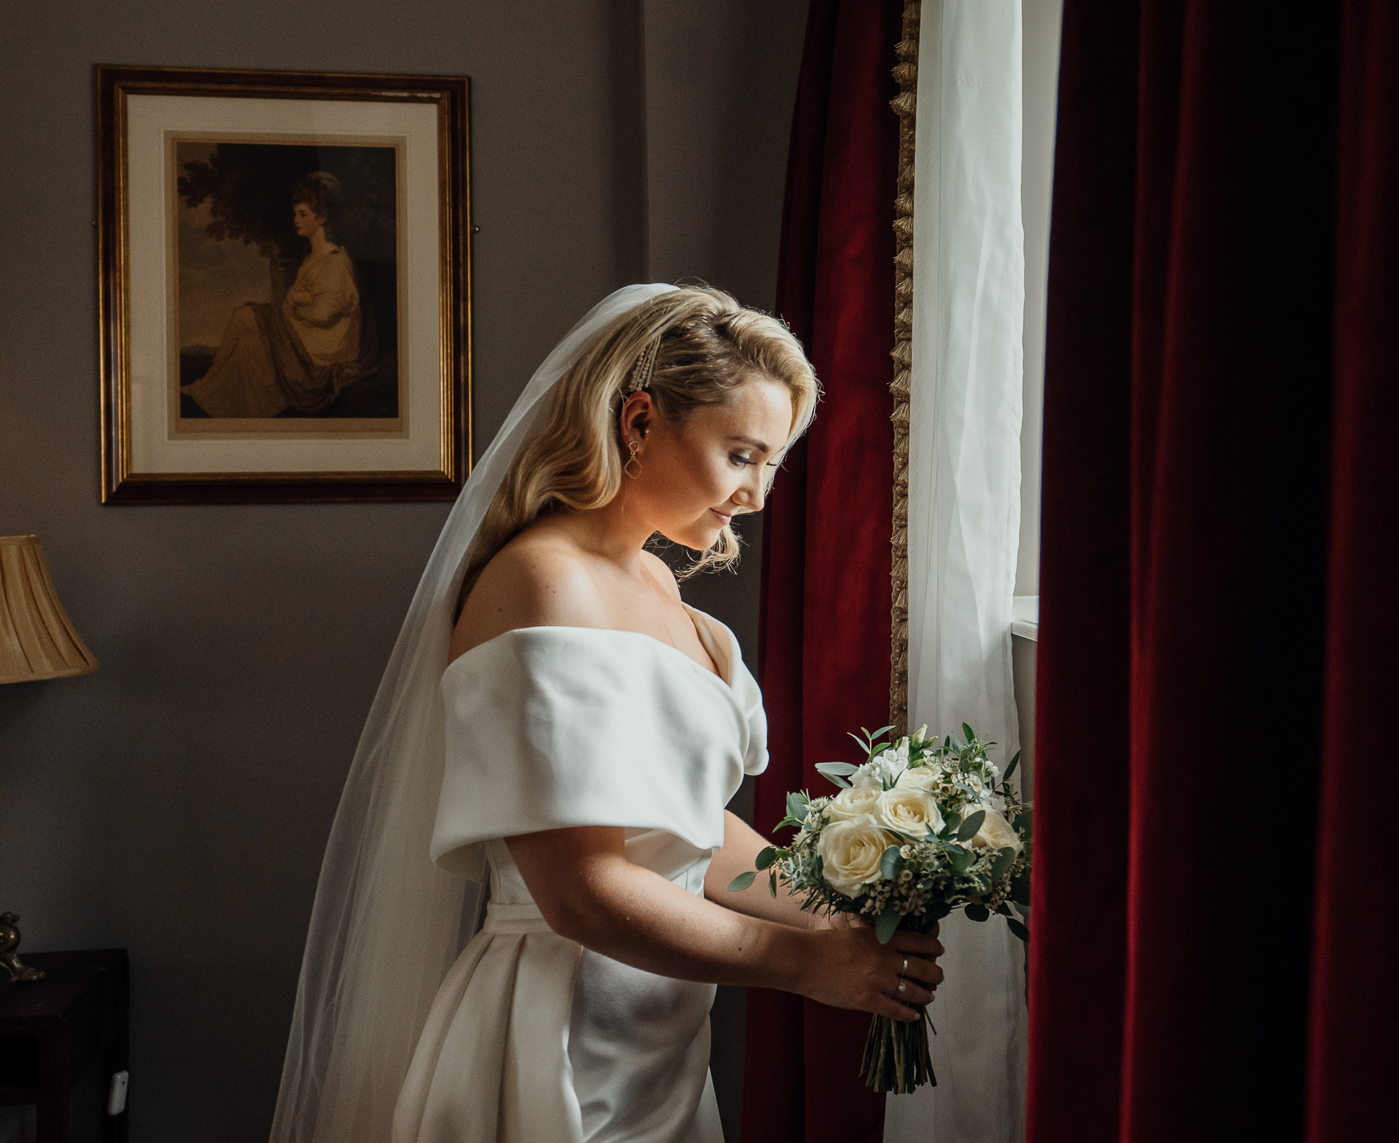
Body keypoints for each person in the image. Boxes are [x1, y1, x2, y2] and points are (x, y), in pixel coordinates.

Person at [270, 284, 943, 1143]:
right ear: (637, 422)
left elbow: (688, 833)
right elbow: (581, 891)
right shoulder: (540, 583)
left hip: (658, 1043)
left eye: (772, 463)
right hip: (556, 1036)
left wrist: (834, 906)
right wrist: (808, 964)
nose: (759, 495)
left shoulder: (660, 585)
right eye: (741, 455)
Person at [182, 171, 373, 418]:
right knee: (246, 327)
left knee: (245, 318)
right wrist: (298, 302)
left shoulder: (335, 262)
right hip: (306, 335)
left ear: (323, 217)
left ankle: (206, 387)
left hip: (324, 348)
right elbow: (287, 305)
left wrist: (301, 301)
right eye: (295, 213)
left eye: (303, 214)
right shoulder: (311, 259)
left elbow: (321, 313)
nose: (296, 219)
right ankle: (209, 389)